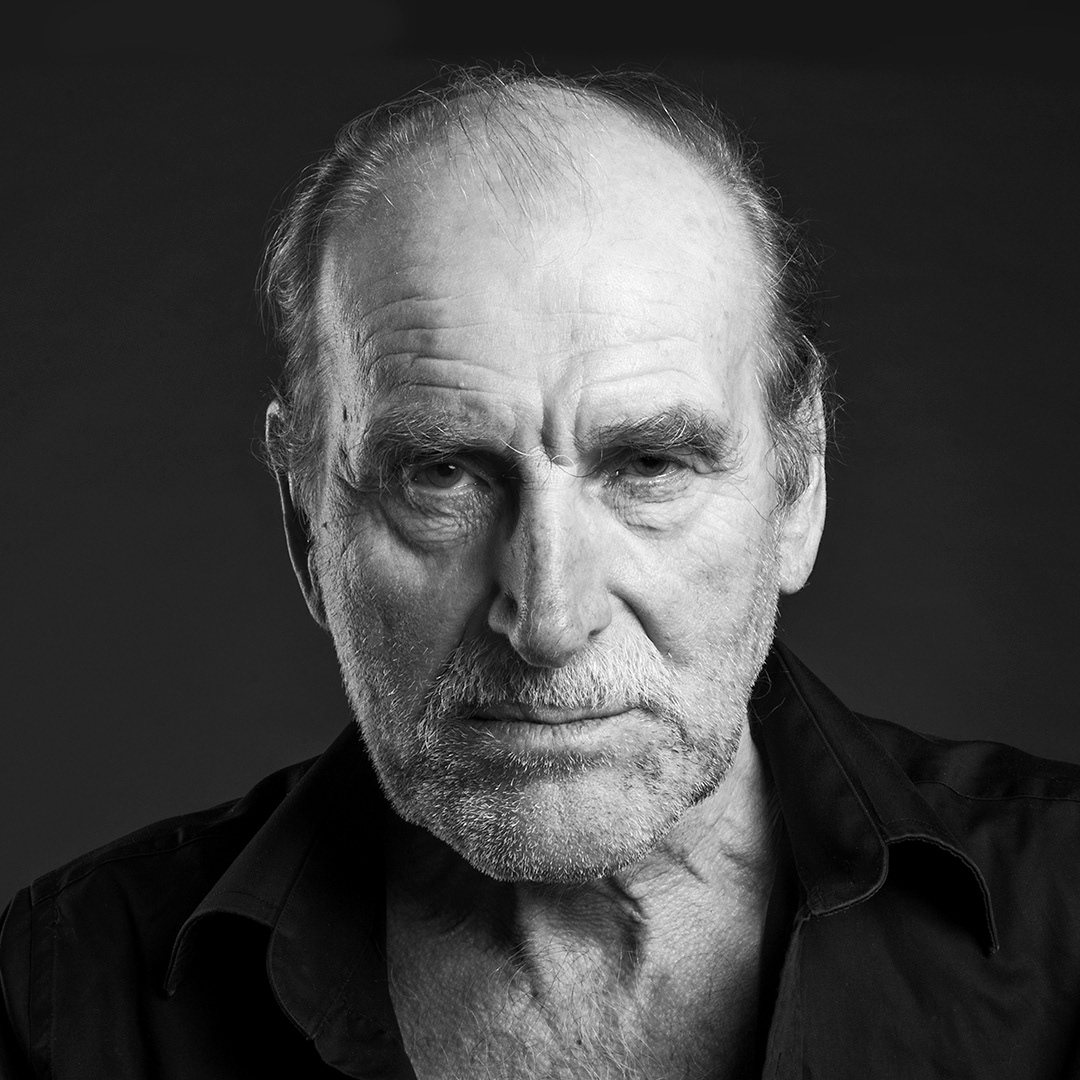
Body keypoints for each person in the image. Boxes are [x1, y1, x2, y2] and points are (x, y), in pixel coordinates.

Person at [2, 66, 1079, 1080]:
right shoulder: (63, 994)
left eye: (650, 467)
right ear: (305, 523)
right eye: (441, 475)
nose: (551, 619)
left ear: (796, 492)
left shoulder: (1068, 919)